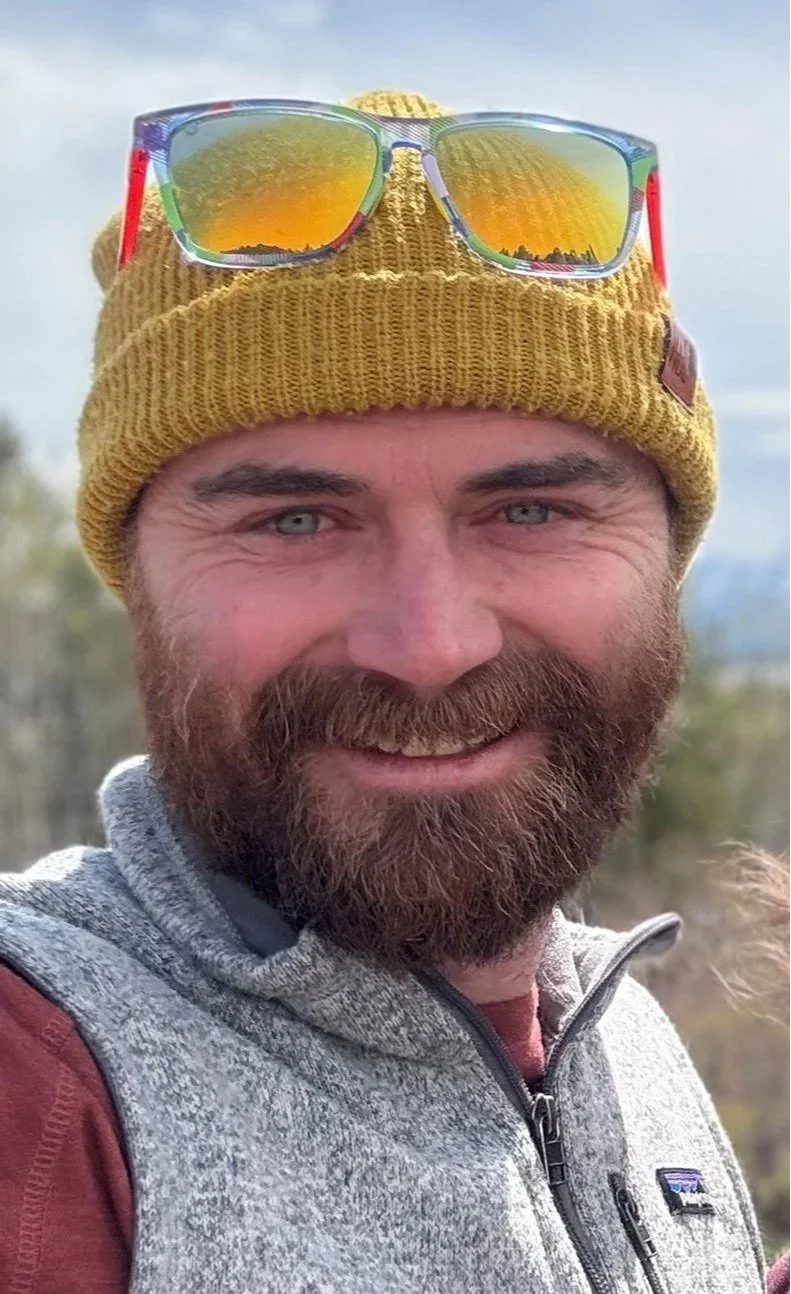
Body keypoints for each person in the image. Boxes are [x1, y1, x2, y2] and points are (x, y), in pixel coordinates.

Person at [0, 89, 767, 1292]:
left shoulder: (619, 1033)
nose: (428, 644)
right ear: (133, 578)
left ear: (665, 560)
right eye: (293, 519)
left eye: (531, 510)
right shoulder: (39, 1075)